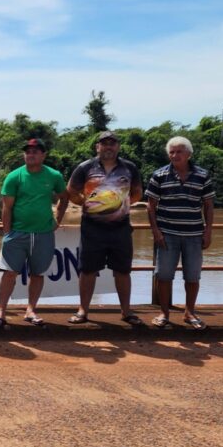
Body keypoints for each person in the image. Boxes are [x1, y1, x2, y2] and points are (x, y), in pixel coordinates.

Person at [66, 131, 144, 326]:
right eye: (104, 143)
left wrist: (118, 205)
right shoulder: (85, 167)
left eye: (112, 143)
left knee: (123, 270)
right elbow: (71, 191)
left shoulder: (130, 168)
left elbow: (137, 193)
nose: (108, 146)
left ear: (118, 147)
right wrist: (86, 203)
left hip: (121, 228)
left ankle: (126, 311)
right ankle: (83, 311)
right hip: (92, 228)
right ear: (97, 147)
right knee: (87, 270)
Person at [0, 138, 69, 328]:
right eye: (28, 151)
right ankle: (1, 311)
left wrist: (57, 220)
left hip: (44, 234)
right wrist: (7, 233)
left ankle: (31, 310)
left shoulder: (54, 175)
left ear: (43, 155)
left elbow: (64, 197)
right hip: (17, 233)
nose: (31, 154)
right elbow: (6, 208)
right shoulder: (14, 176)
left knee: (38, 274)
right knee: (10, 273)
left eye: (35, 151)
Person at [146, 136, 215, 331]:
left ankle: (189, 312)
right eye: (172, 152)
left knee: (193, 276)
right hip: (167, 234)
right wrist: (156, 232)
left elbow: (208, 205)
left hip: (194, 234)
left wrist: (208, 231)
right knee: (164, 275)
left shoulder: (202, 175)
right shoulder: (159, 175)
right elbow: (150, 206)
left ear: (189, 154)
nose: (175, 155)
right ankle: (164, 313)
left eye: (179, 151)